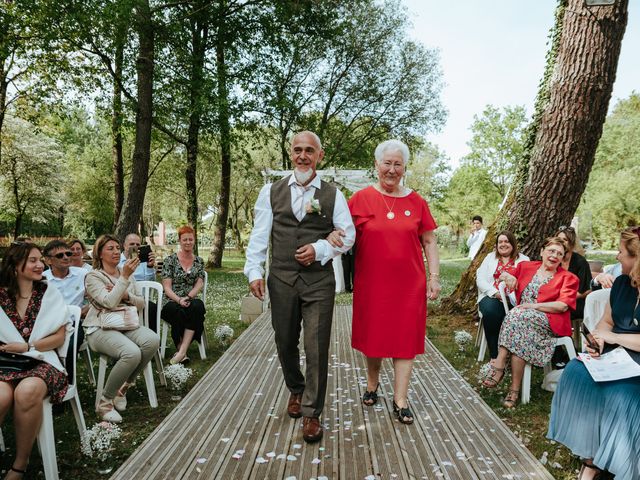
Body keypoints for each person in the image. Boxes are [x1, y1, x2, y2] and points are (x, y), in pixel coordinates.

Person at [244, 131, 355, 443]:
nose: (303, 156)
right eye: (297, 150)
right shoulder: (270, 192)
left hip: (318, 280)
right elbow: (259, 234)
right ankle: (296, 387)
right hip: (281, 279)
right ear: (291, 154)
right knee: (285, 341)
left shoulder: (334, 195)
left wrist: (320, 249)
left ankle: (312, 412)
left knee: (316, 346)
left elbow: (348, 236)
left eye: (310, 151)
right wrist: (254, 270)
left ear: (320, 155)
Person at [345, 139, 440, 425]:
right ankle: (372, 383)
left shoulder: (417, 201)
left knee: (404, 340)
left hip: (410, 284)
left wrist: (434, 277)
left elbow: (429, 240)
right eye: (386, 163)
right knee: (375, 338)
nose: (391, 169)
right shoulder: (359, 199)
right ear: (376, 165)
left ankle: (400, 399)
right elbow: (341, 235)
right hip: (372, 283)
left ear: (404, 168)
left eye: (397, 164)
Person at [547, 227, 640, 480]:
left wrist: (614, 338)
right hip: (614, 355)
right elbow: (606, 323)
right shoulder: (621, 284)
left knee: (622, 395)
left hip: (636, 362)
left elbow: (615, 333)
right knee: (575, 373)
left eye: (622, 252)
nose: (618, 257)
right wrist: (598, 340)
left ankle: (618, 460)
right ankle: (590, 457)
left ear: (637, 258)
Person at [0, 242, 71, 479]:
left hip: (42, 360)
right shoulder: (1, 295)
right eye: (32, 260)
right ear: (14, 266)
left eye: (40, 259)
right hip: (6, 361)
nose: (40, 264)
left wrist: (28, 346)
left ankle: (20, 464)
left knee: (26, 392)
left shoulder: (48, 292)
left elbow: (59, 337)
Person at [481, 236, 579, 409]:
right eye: (551, 251)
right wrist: (508, 277)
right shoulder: (526, 267)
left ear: (563, 259)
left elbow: (562, 306)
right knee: (519, 327)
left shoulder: (569, 278)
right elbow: (503, 273)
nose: (554, 255)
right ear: (542, 252)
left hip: (548, 321)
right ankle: (514, 390)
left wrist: (534, 306)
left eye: (559, 253)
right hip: (521, 322)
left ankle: (499, 363)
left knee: (516, 314)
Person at [84, 234, 160, 423]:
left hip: (125, 323)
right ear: (99, 253)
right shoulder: (93, 276)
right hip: (100, 327)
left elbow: (141, 303)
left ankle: (122, 388)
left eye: (117, 248)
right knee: (132, 353)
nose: (116, 251)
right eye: (110, 248)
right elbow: (108, 303)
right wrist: (124, 278)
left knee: (152, 341)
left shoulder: (125, 273)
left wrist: (126, 295)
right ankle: (104, 402)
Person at [476, 231, 529, 361]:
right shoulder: (490, 257)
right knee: (491, 312)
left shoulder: (524, 260)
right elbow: (480, 279)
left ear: (513, 244)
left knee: (517, 315)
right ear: (496, 245)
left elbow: (526, 281)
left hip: (513, 299)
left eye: (507, 241)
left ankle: (516, 353)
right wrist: (495, 293)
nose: (503, 244)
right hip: (491, 295)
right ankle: (495, 355)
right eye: (500, 242)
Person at [42, 239, 89, 381]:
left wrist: (87, 309)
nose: (66, 257)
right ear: (48, 260)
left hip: (74, 323)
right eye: (60, 255)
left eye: (68, 253)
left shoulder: (83, 274)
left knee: (69, 347)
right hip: (50, 325)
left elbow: (97, 297)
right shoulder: (42, 279)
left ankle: (67, 384)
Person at [161, 225, 206, 365]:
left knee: (197, 307)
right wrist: (179, 299)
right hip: (171, 299)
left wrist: (189, 297)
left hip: (190, 298)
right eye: (184, 239)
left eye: (190, 239)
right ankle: (181, 349)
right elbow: (166, 287)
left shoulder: (199, 261)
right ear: (179, 241)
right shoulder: (170, 261)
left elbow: (199, 283)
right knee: (178, 311)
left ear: (194, 241)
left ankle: (181, 351)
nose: (188, 242)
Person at [120, 233, 158, 331]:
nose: (135, 247)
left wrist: (150, 266)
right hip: (122, 297)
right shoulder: (118, 261)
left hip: (141, 298)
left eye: (138, 245)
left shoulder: (143, 261)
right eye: (132, 244)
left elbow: (151, 283)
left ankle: (153, 339)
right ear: (124, 245)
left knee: (152, 307)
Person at [555, 225, 592, 320]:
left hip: (575, 302)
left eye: (565, 240)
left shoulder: (580, 262)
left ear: (571, 243)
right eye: (559, 239)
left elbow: (585, 290)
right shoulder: (554, 259)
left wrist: (562, 299)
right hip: (556, 301)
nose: (561, 242)